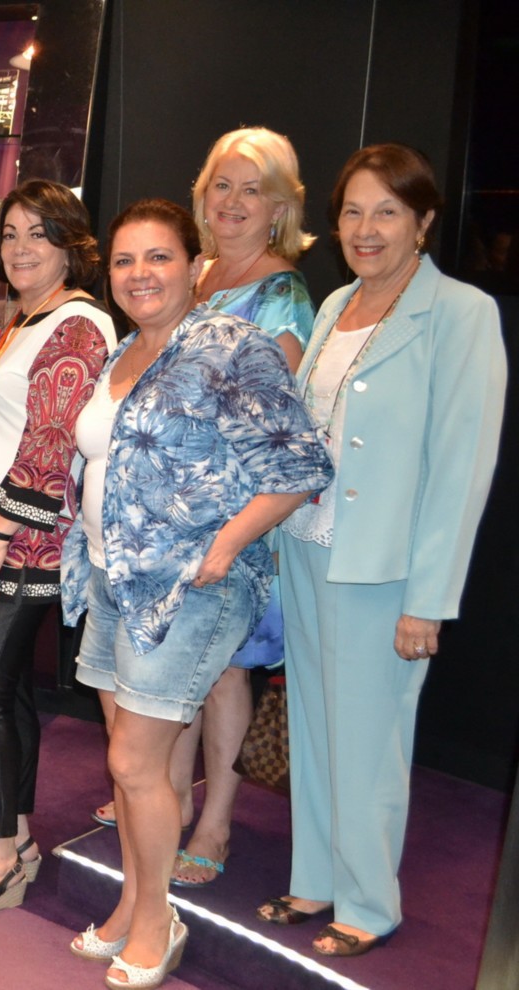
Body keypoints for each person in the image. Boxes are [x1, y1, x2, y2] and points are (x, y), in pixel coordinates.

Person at [62, 199, 330, 987]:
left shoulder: (230, 345)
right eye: (124, 261)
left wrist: (225, 545)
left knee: (134, 760)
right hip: (111, 579)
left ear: (193, 265)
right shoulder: (123, 351)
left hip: (190, 589)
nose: (139, 274)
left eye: (158, 257)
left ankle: (157, 921)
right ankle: (132, 904)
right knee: (130, 767)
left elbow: (300, 466)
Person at [264, 144, 506, 958]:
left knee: (370, 743)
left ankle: (368, 903)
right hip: (308, 549)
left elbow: (461, 469)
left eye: (387, 212)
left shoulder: (462, 313)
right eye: (353, 213)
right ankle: (314, 878)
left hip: (385, 569)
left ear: (424, 221)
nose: (367, 230)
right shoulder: (336, 304)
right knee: (314, 726)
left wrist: (428, 600)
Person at [0, 181, 115, 919]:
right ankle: (18, 838)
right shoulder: (23, 320)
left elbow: (49, 444)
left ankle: (0, 854)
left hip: (25, 543)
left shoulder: (79, 325)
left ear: (70, 243)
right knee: (2, 692)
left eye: (39, 233)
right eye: (9, 234)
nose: (19, 247)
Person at [149, 127, 319, 888]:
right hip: (168, 503)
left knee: (220, 671)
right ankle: (171, 797)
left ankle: (215, 821)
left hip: (233, 512)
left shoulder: (282, 293)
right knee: (173, 658)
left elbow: (269, 418)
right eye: (223, 184)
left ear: (281, 208)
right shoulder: (196, 273)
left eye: (254, 189)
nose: (234, 202)